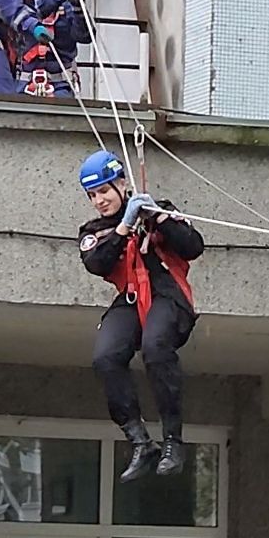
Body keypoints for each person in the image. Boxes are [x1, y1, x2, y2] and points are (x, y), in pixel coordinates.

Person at [77, 149, 206, 481]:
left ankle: (172, 441)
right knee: (106, 356)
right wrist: (124, 227)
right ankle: (139, 440)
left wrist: (159, 217)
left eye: (104, 191)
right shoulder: (95, 230)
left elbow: (193, 246)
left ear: (122, 183)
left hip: (167, 297)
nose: (99, 201)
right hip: (132, 298)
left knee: (156, 347)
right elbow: (97, 263)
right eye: (93, 195)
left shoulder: (158, 211)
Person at [16, 0, 92, 99]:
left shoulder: (66, 6)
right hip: (21, 85)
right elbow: (32, 11)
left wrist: (78, 8)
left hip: (60, 85)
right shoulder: (13, 7)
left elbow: (85, 36)